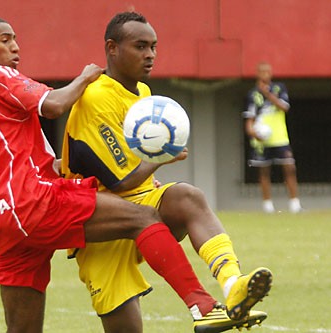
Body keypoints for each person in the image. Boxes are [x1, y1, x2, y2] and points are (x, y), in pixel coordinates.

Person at [0, 16, 268, 333]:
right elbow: (53, 105)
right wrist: (84, 77)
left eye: (15, 39)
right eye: (5, 39)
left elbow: (37, 163)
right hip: (33, 202)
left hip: (1, 216)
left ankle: (230, 285)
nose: (15, 47)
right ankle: (203, 308)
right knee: (144, 218)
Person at [61, 12, 273, 333]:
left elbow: (133, 170)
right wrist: (164, 155)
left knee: (188, 197)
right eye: (140, 46)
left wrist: (154, 166)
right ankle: (204, 307)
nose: (149, 55)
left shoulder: (144, 95)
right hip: (96, 221)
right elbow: (118, 181)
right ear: (112, 48)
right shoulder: (96, 97)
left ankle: (233, 286)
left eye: (153, 47)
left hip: (140, 205)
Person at [244, 61, 302, 213]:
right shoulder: (252, 94)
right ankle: (267, 205)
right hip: (261, 140)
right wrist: (253, 133)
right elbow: (249, 120)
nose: (265, 74)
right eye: (262, 72)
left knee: (289, 168)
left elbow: (284, 107)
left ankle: (294, 203)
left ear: (271, 73)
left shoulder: (279, 88)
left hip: (280, 138)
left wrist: (268, 94)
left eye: (267, 71)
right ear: (257, 73)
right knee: (264, 171)